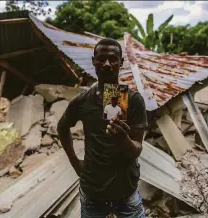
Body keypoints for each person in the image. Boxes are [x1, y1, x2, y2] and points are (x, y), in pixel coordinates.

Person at [57, 38, 148, 218]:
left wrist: (124, 140)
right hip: (93, 192)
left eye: (113, 59)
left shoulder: (134, 100)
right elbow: (62, 128)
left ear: (121, 63)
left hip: (126, 190)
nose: (107, 64)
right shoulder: (82, 101)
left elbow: (136, 150)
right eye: (101, 58)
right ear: (94, 62)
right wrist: (75, 163)